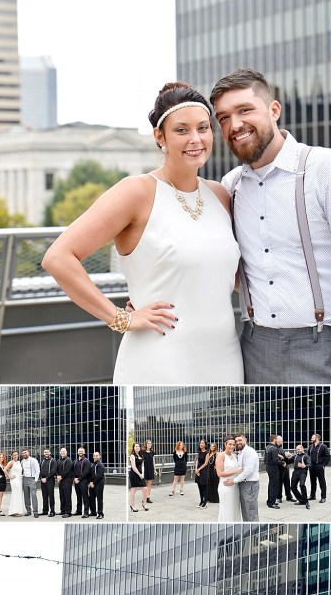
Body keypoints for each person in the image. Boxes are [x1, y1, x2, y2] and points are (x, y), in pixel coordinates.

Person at [42, 82, 243, 385]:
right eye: (181, 130)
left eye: (203, 128)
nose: (195, 139)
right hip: (160, 357)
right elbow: (58, 258)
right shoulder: (136, 192)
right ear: (159, 137)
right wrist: (120, 318)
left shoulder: (220, 195)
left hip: (225, 356)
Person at [210, 68, 331, 384]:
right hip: (253, 347)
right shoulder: (231, 186)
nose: (234, 125)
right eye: (223, 118)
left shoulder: (326, 170)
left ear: (274, 110)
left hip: (326, 346)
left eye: (245, 110)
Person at [225, 432, 260, 521]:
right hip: (244, 484)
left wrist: (234, 480)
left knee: (251, 512)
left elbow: (248, 470)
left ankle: (254, 531)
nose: (238, 443)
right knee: (245, 511)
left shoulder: (249, 452)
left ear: (245, 440)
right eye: (236, 441)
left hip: (250, 484)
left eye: (240, 440)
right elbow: (241, 469)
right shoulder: (241, 452)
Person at [216, 435, 242, 521]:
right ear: (225, 444)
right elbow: (219, 473)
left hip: (235, 486)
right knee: (226, 509)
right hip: (225, 486)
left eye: (233, 444)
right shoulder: (220, 455)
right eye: (230, 444)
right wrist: (235, 472)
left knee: (235, 509)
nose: (232, 446)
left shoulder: (235, 456)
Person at [308, 434, 329, 503]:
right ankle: (312, 496)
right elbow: (308, 456)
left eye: (312, 438)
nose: (311, 439)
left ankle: (323, 497)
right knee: (313, 481)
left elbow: (328, 456)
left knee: (322, 482)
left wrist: (323, 465)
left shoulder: (323, 446)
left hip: (319, 466)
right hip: (312, 466)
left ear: (317, 438)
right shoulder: (310, 447)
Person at [264, 435, 283, 509]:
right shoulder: (274, 448)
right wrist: (282, 462)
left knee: (271, 484)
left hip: (268, 467)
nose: (279, 441)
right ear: (274, 440)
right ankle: (272, 503)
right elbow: (275, 461)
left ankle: (269, 501)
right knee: (274, 485)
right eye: (278, 439)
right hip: (273, 468)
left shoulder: (267, 447)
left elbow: (266, 459)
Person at [129, 442, 148, 513]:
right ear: (133, 448)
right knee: (134, 489)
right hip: (134, 474)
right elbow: (133, 467)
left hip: (141, 474)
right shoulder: (132, 456)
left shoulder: (141, 455)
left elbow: (142, 465)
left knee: (145, 488)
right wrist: (139, 474)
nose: (137, 447)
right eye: (136, 446)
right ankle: (132, 505)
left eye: (138, 446)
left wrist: (142, 473)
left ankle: (144, 504)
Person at [290, 444, 311, 509]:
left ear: (302, 449)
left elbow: (309, 464)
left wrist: (305, 466)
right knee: (293, 487)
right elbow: (288, 461)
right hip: (295, 472)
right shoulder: (295, 456)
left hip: (303, 472)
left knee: (302, 485)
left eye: (298, 449)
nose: (297, 451)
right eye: (296, 449)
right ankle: (301, 500)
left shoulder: (306, 456)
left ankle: (306, 501)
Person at [73, 447, 91, 518]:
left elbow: (86, 472)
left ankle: (86, 512)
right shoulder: (75, 461)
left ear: (84, 452)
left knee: (85, 496)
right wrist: (74, 478)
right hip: (76, 481)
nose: (80, 452)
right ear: (77, 452)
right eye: (79, 451)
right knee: (78, 496)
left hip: (83, 481)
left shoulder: (86, 461)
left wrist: (79, 479)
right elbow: (73, 470)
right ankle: (79, 510)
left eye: (82, 451)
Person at [6, 451, 25, 517]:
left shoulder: (19, 462)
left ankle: (17, 510)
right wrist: (9, 476)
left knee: (19, 494)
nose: (16, 456)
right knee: (15, 494)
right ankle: (14, 511)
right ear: (12, 456)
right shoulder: (11, 462)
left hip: (20, 480)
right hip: (14, 480)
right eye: (14, 455)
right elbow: (5, 470)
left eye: (16, 454)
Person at [56, 448, 74, 518]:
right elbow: (56, 469)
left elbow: (67, 470)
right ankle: (62, 510)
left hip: (67, 480)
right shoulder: (59, 460)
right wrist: (57, 476)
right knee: (62, 496)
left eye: (64, 451)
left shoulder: (69, 460)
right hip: (61, 480)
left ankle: (68, 512)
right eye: (61, 451)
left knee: (67, 496)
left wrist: (61, 476)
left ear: (66, 452)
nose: (62, 453)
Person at [39, 449, 57, 516]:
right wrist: (41, 478)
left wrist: (46, 478)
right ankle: (45, 511)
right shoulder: (42, 461)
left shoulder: (53, 461)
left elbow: (53, 471)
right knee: (44, 496)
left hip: (50, 480)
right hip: (43, 481)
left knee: (51, 496)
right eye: (45, 452)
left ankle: (52, 511)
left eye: (47, 452)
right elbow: (39, 470)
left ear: (50, 453)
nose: (46, 453)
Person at [194, 440, 211, 508]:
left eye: (203, 443)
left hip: (204, 471)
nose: (201, 444)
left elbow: (206, 463)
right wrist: (196, 470)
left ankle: (205, 502)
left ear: (205, 445)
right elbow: (197, 461)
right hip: (198, 470)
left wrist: (199, 469)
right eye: (200, 443)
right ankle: (201, 501)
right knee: (199, 487)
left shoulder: (207, 453)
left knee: (204, 487)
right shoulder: (199, 452)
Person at [89, 451, 106, 519]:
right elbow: (90, 474)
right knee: (91, 498)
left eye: (97, 455)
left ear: (99, 456)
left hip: (99, 484)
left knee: (99, 499)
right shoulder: (92, 465)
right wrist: (90, 482)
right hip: (92, 483)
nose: (95, 457)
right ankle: (93, 512)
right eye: (94, 456)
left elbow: (99, 476)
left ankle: (100, 513)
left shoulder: (100, 465)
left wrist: (94, 483)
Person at [142, 440, 157, 505]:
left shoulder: (152, 452)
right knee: (144, 484)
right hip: (145, 469)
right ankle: (144, 497)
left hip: (150, 468)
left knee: (149, 484)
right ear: (146, 444)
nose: (149, 445)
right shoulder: (142, 452)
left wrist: (155, 470)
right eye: (148, 444)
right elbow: (141, 461)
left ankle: (148, 497)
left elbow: (153, 461)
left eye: (150, 444)